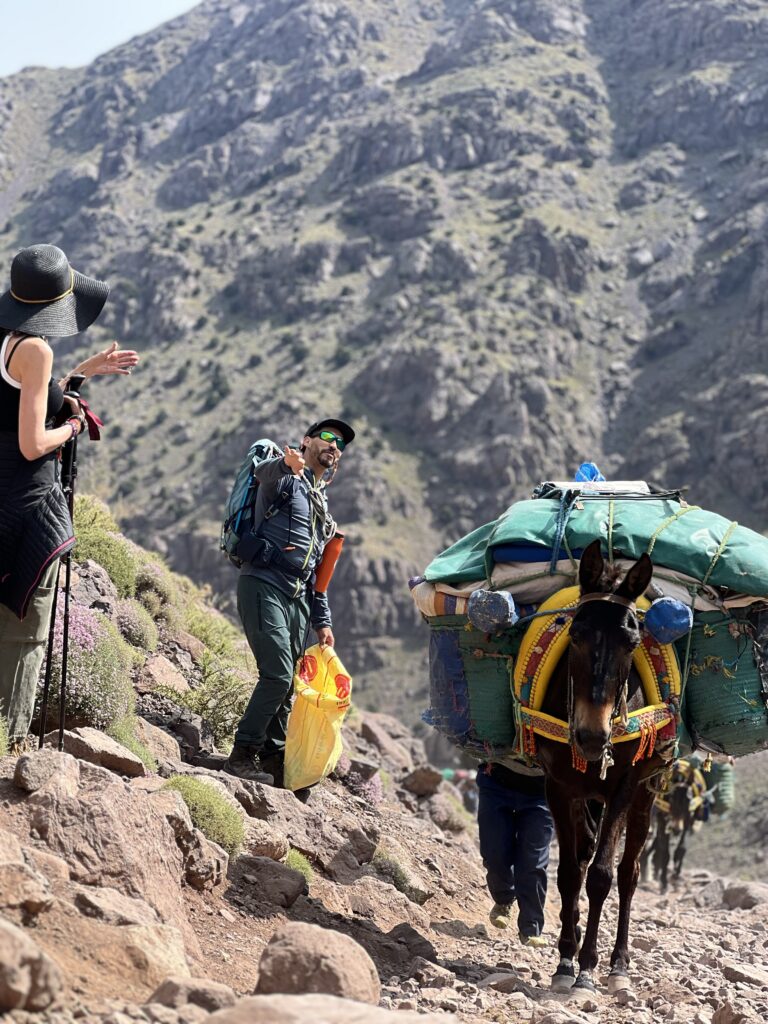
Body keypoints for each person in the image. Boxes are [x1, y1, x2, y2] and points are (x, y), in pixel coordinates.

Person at [0, 243, 139, 753]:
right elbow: (32, 440)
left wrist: (84, 372)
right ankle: (10, 749)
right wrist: (75, 424)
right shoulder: (36, 348)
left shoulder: (9, 339)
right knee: (27, 631)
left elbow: (22, 394)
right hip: (28, 510)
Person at [224, 417, 355, 784]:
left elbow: (316, 572)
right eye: (328, 437)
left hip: (298, 597)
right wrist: (286, 464)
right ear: (307, 441)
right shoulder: (286, 478)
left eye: (340, 445)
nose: (334, 446)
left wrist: (323, 621)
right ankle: (241, 755)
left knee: (291, 684)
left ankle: (272, 757)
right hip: (263, 583)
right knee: (278, 675)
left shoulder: (319, 503)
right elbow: (265, 475)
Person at [476, 759, 555, 947]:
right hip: (496, 783)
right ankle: (504, 900)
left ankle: (531, 928)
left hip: (542, 794)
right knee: (494, 854)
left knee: (533, 863)